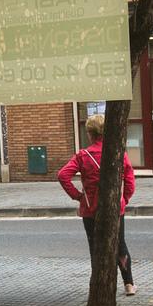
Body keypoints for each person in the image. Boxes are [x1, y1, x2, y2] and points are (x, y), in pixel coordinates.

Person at [58, 114, 137, 295]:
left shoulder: (83, 156)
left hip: (90, 209)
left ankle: (100, 286)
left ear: (90, 133)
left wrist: (78, 196)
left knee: (95, 247)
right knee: (120, 245)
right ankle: (129, 284)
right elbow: (130, 181)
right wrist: (124, 199)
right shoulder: (118, 153)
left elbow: (63, 176)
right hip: (115, 208)